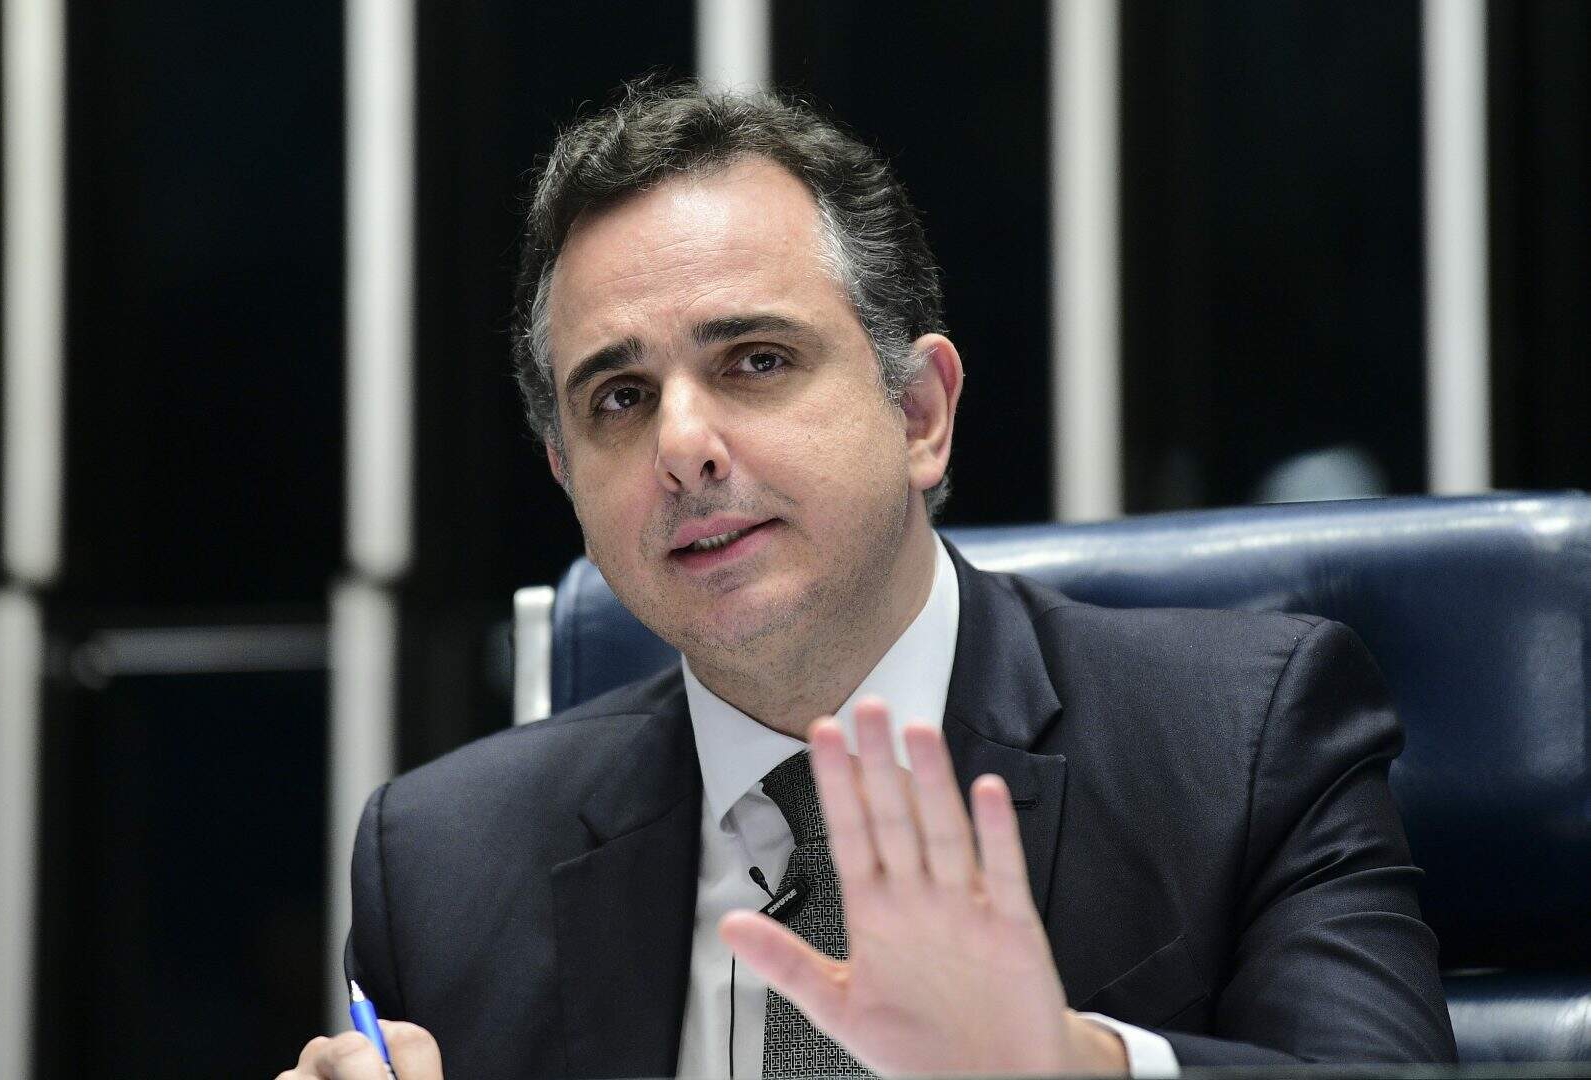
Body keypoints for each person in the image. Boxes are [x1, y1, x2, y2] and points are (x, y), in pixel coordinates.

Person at [281, 81, 1456, 1080]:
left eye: (755, 360)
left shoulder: (1238, 744)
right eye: (620, 398)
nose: (682, 446)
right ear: (568, 477)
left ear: (920, 413)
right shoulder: (442, 863)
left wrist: (1070, 1067)